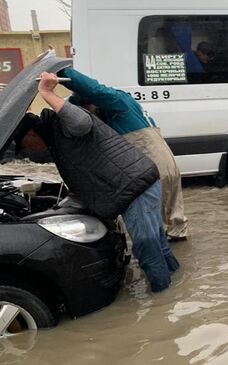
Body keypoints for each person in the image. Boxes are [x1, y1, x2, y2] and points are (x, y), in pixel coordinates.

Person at [15, 72, 179, 292]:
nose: (28, 151)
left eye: (25, 144)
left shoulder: (62, 123)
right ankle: (176, 289)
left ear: (33, 134)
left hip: (135, 186)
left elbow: (81, 122)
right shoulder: (55, 137)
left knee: (146, 249)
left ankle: (164, 305)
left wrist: (46, 92)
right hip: (136, 183)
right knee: (157, 244)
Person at [58, 67, 190, 241]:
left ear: (92, 103)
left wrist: (62, 72)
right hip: (169, 166)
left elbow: (93, 88)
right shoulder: (127, 111)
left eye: (87, 109)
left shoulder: (117, 101)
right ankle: (180, 259)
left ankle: (165, 262)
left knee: (151, 230)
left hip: (155, 171)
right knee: (175, 225)